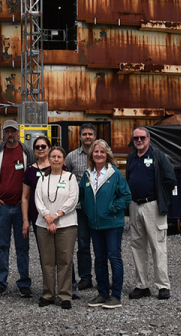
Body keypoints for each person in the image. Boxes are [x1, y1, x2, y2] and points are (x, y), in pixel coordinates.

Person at [0, 120, 34, 298]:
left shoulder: (27, 152)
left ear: (18, 133)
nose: (10, 134)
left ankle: (24, 283)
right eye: (7, 131)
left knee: (23, 246)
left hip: (21, 208)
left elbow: (35, 176)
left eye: (13, 131)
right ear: (3, 133)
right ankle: (0, 283)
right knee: (2, 246)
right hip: (2, 207)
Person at [124, 126, 176, 300]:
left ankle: (162, 286)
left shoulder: (158, 156)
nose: (139, 141)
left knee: (158, 246)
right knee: (137, 246)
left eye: (142, 138)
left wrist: (162, 199)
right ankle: (142, 285)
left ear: (149, 138)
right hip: (134, 206)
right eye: (136, 138)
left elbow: (170, 179)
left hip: (152, 205)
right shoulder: (131, 157)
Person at [79, 138, 130, 309]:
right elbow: (81, 195)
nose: (99, 154)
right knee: (99, 259)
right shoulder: (87, 175)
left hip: (112, 224)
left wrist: (113, 207)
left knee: (114, 257)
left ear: (107, 154)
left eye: (102, 152)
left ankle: (115, 296)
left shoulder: (114, 174)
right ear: (91, 155)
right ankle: (102, 293)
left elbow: (126, 196)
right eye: (96, 152)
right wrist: (87, 210)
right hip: (94, 224)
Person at [33, 146, 79, 309]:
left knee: (65, 260)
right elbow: (38, 199)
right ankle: (48, 294)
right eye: (53, 156)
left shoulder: (70, 178)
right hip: (43, 224)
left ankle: (65, 295)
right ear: (49, 159)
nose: (56, 159)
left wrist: (57, 215)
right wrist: (47, 217)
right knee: (47, 260)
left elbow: (73, 199)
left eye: (59, 157)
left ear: (64, 160)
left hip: (66, 224)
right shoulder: (42, 179)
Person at [63, 123, 98, 293]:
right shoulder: (71, 157)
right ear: (80, 136)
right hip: (78, 208)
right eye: (84, 134)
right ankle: (85, 278)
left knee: (100, 245)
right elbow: (65, 178)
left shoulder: (100, 154)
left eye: (90, 134)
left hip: (98, 208)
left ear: (94, 136)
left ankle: (102, 276)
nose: (88, 137)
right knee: (83, 244)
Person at [20, 135, 53, 295]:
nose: (40, 149)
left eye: (43, 146)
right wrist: (25, 220)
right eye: (37, 147)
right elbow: (25, 197)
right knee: (44, 253)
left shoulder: (59, 167)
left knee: (62, 252)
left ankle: (68, 286)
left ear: (49, 148)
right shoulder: (30, 171)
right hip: (38, 217)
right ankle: (48, 288)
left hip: (56, 217)